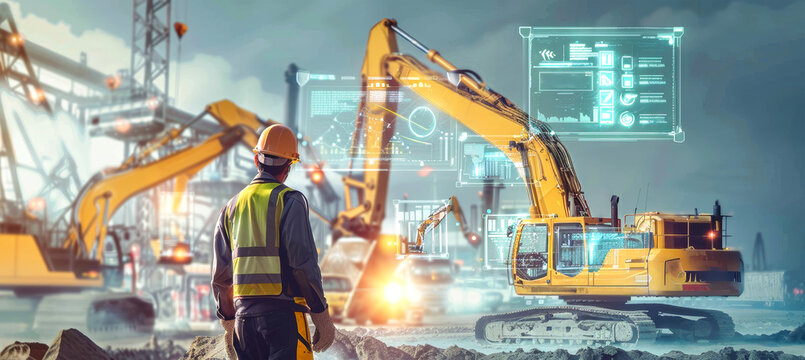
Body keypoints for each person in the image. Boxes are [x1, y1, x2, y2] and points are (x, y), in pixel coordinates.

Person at [211, 124, 335, 359]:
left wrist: (229, 323)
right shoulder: (290, 201)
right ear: (288, 167)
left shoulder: (230, 208)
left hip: (244, 322)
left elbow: (221, 277)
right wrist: (321, 315)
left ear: (256, 161)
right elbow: (303, 266)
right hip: (285, 318)